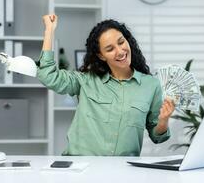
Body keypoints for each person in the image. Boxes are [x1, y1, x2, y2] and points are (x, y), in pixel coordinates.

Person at [36, 14, 175, 156]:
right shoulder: (86, 80)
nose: (120, 51)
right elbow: (48, 76)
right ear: (101, 55)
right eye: (110, 49)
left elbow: (158, 137)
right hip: (82, 170)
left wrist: (163, 120)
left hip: (122, 171)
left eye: (121, 42)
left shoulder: (151, 85)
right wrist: (49, 31)